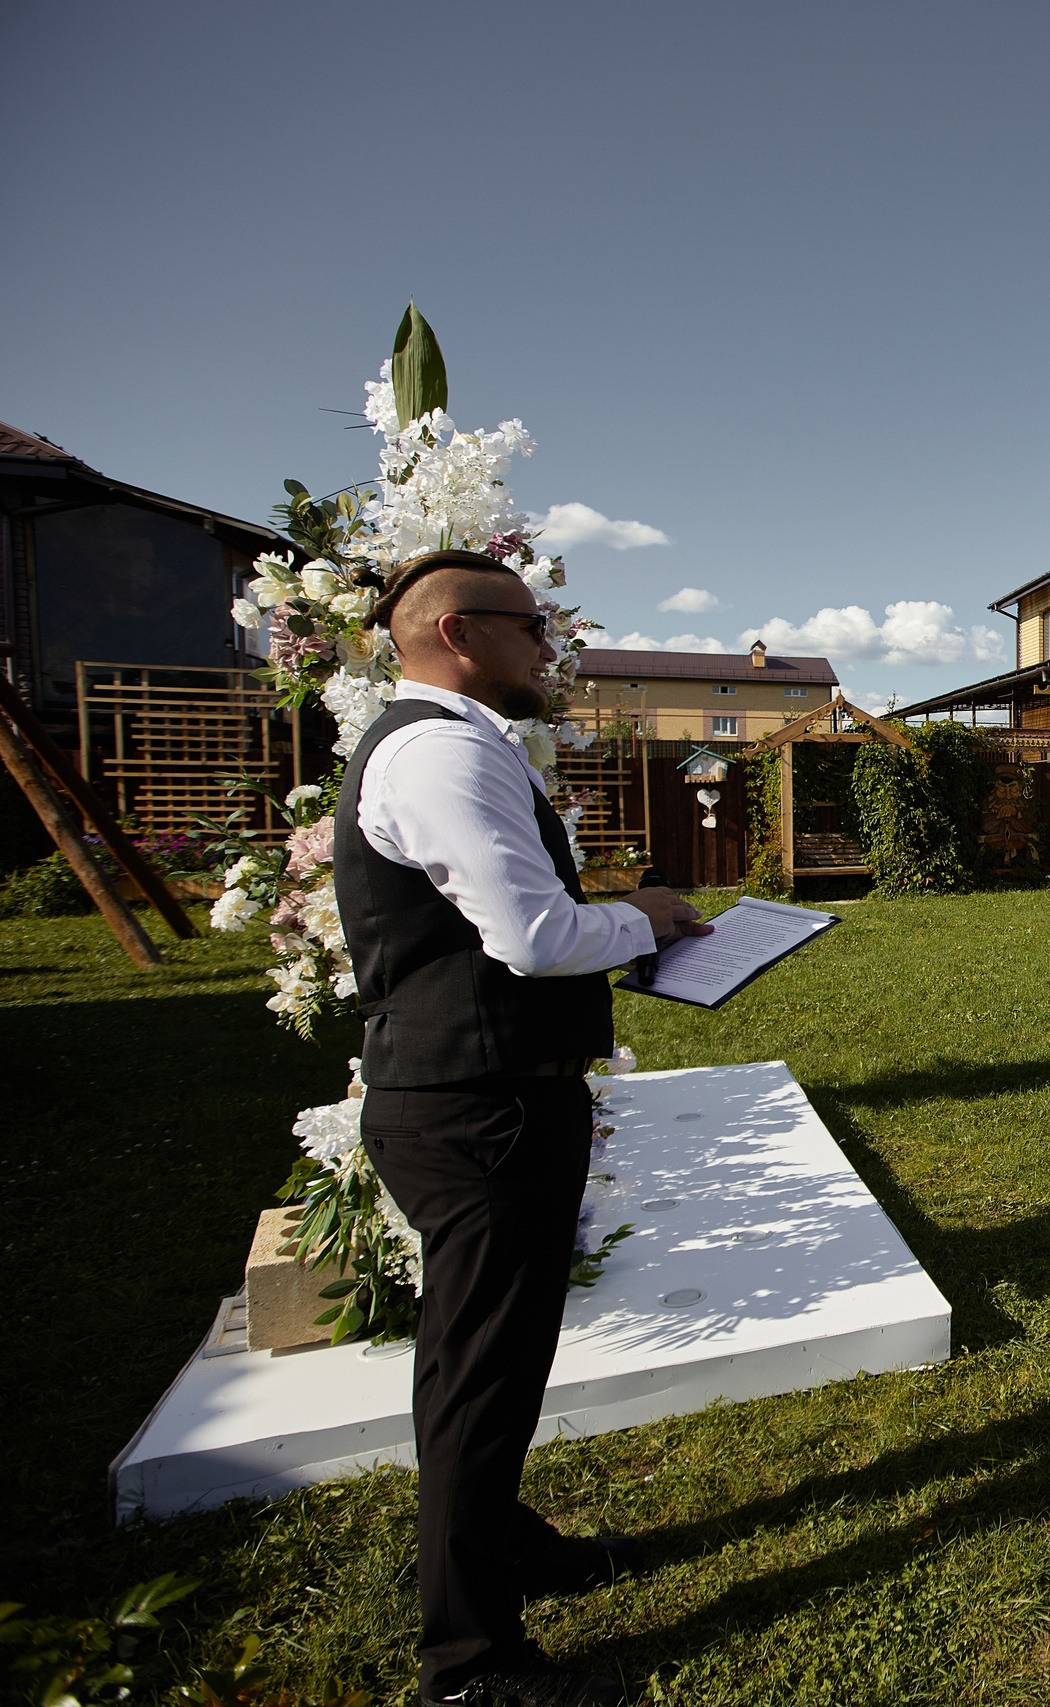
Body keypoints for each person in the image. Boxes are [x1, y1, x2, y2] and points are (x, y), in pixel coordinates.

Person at [341, 550, 711, 1707]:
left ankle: (503, 1548)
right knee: (482, 1373)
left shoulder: (446, 742)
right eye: (530, 626)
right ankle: (470, 1664)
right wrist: (644, 916)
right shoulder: (443, 749)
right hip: (478, 1104)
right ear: (457, 632)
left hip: (485, 1090)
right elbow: (535, 939)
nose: (550, 647)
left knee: (495, 1359)